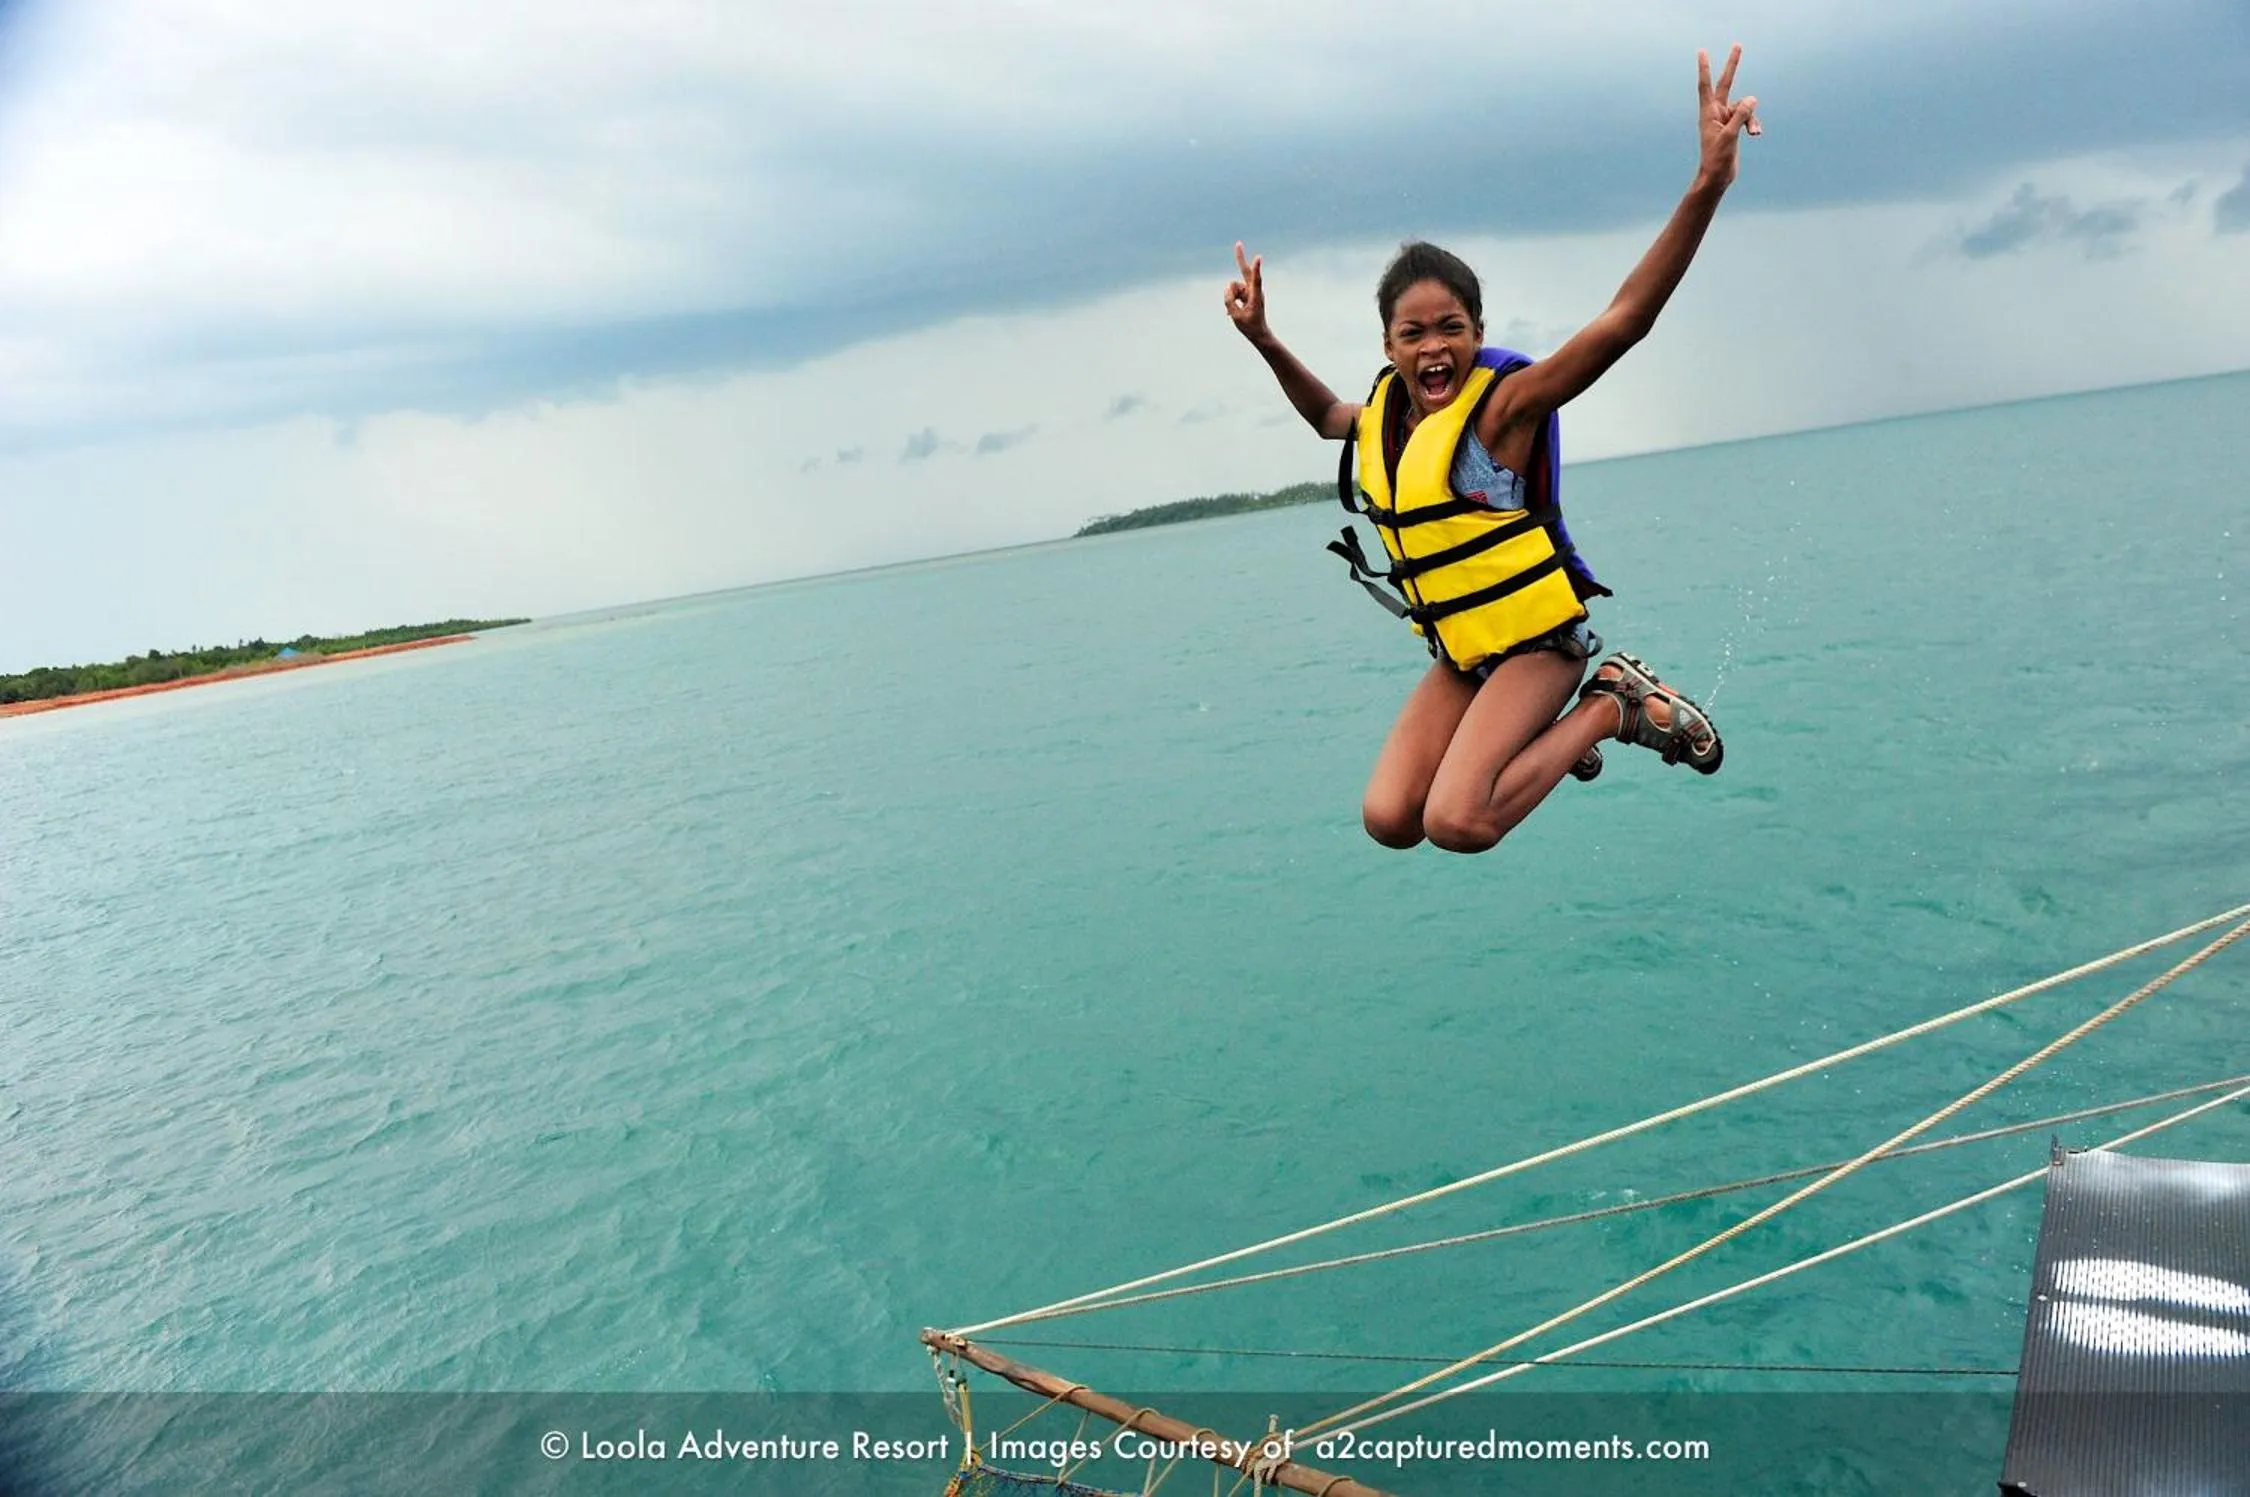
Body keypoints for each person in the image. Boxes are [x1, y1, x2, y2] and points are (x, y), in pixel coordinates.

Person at [1224, 45, 1761, 855]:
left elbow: (1625, 320)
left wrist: (1706, 186)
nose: (1434, 348)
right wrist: (1264, 339)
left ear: (1479, 332)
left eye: (1453, 329)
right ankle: (1527, 741)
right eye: (1414, 333)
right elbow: (1325, 414)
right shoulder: (1383, 420)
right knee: (1390, 818)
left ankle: (1609, 704)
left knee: (1459, 821)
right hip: (1468, 652)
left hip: (1541, 646)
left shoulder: (1503, 410)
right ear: (1389, 345)